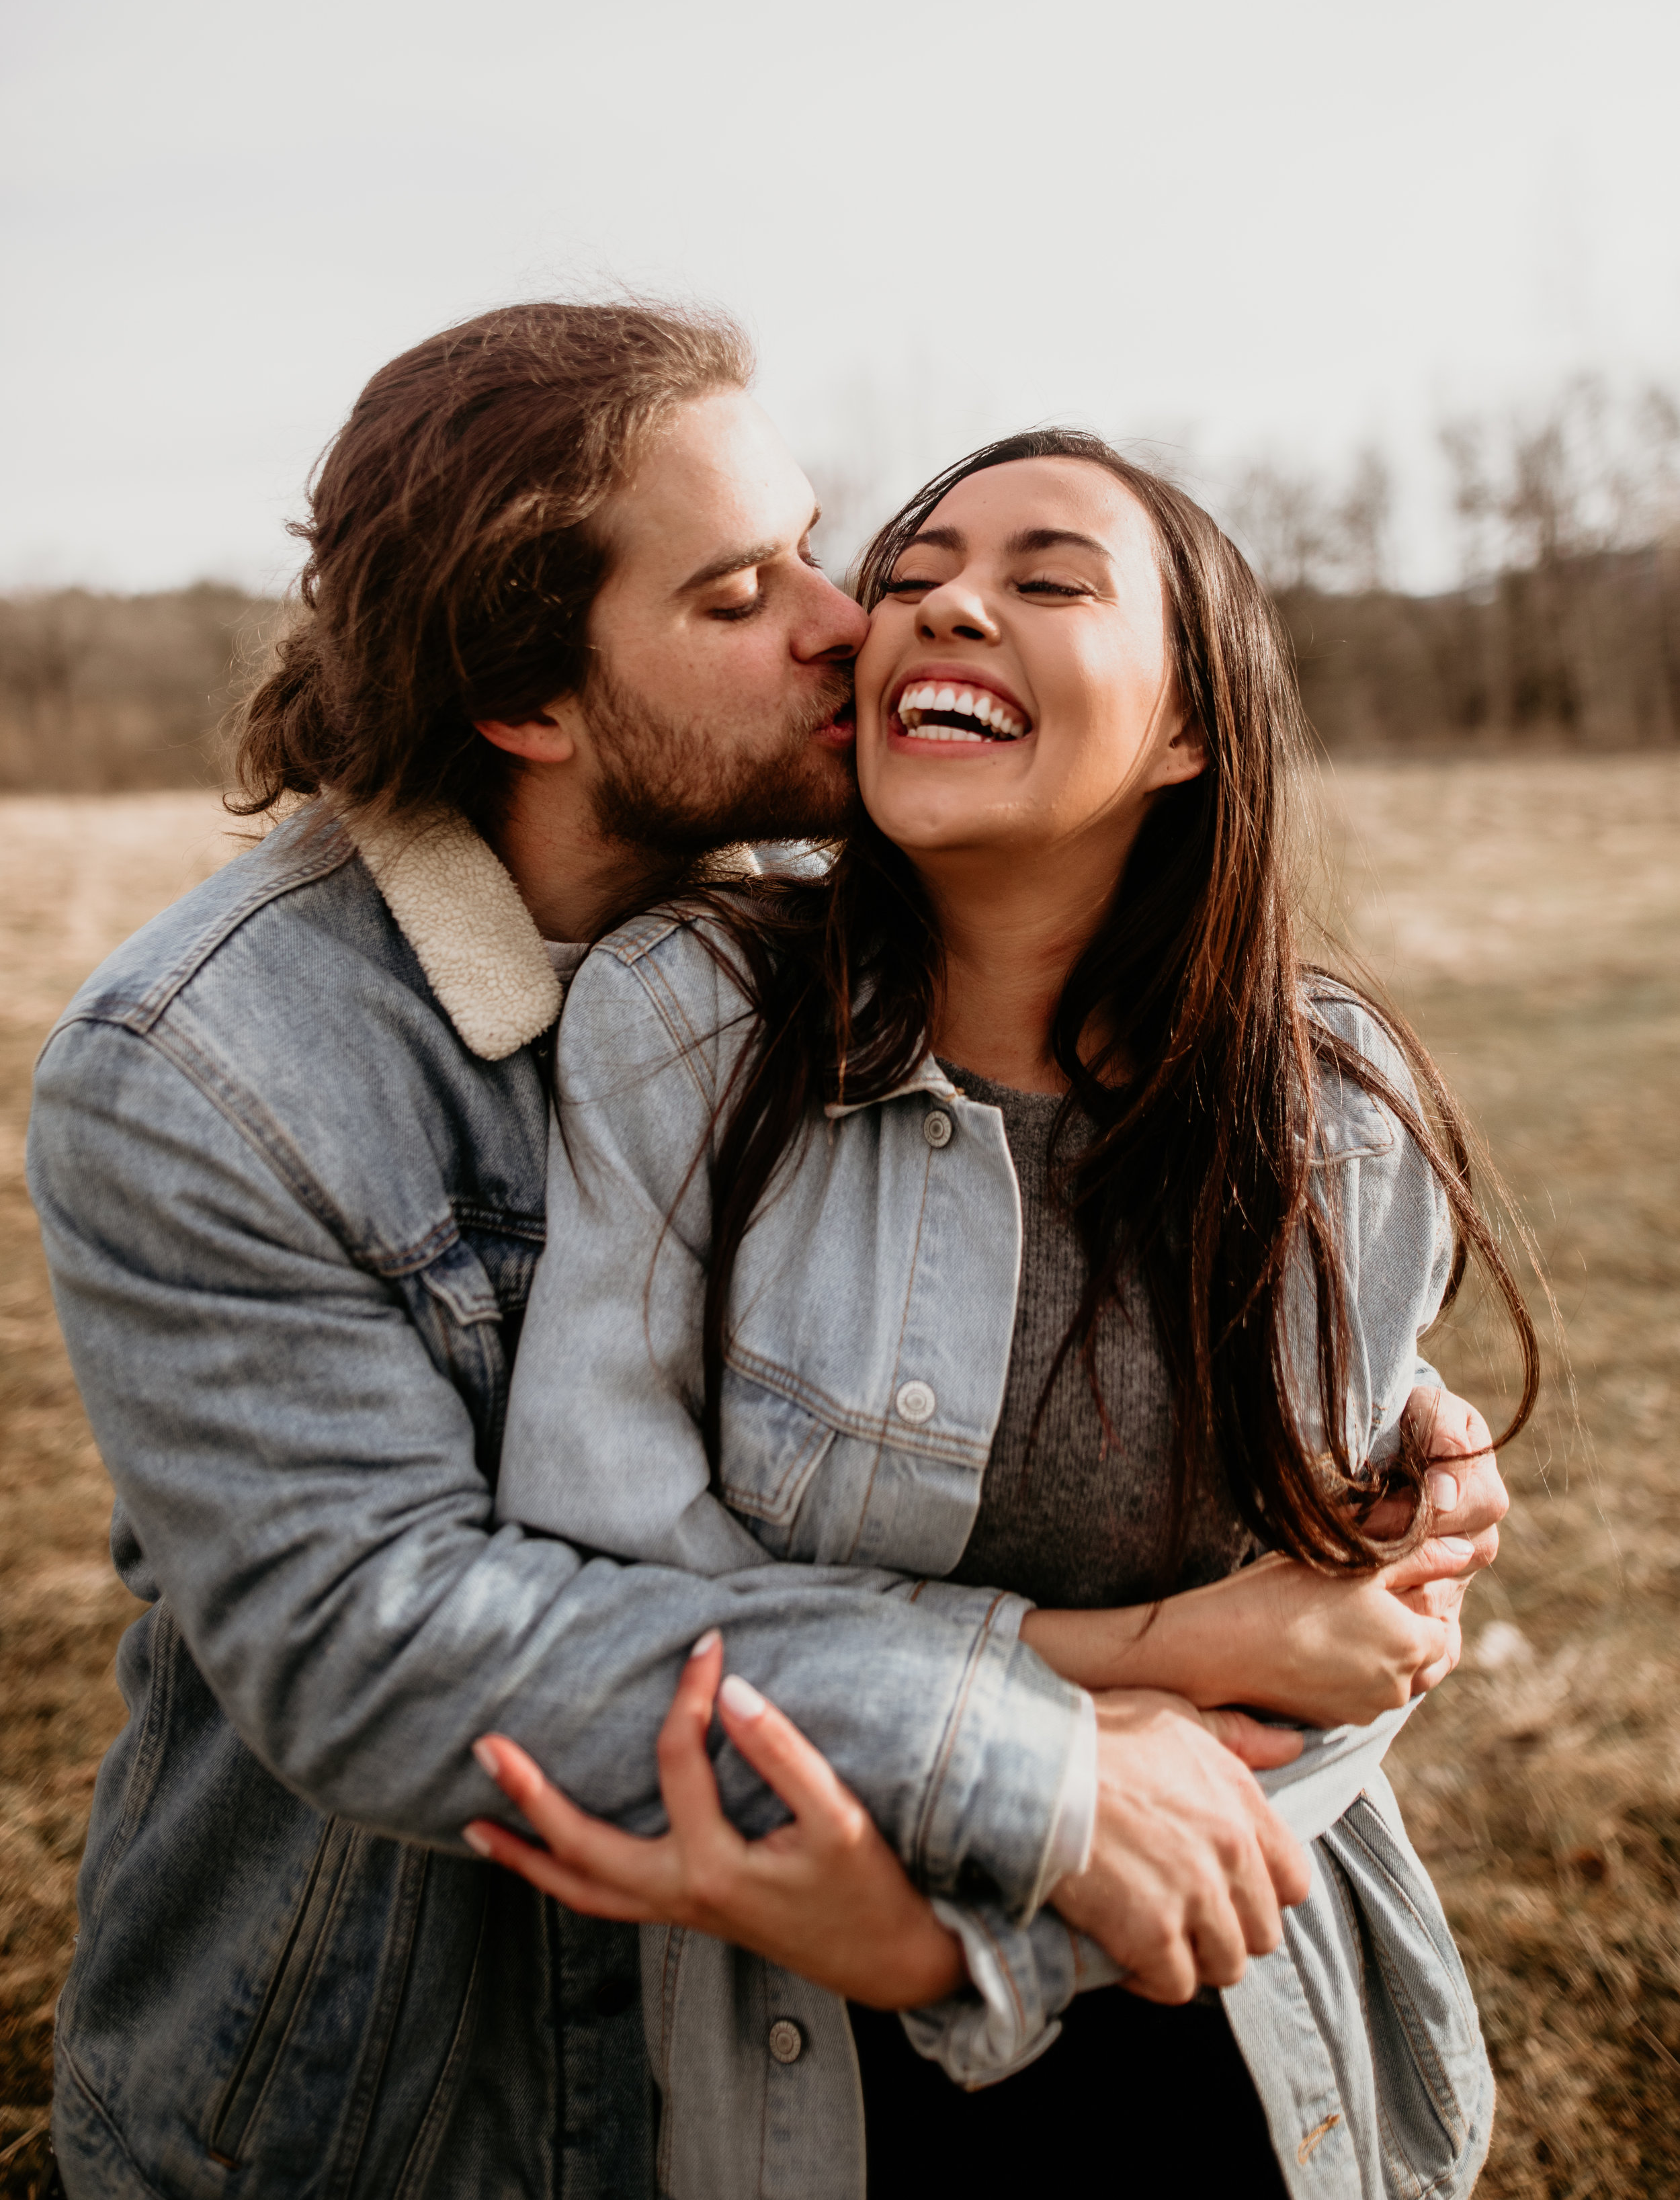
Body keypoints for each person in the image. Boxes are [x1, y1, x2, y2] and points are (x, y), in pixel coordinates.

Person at [27, 305, 1435, 2200]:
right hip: (408, 2092)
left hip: (837, 2052)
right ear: (528, 701)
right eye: (734, 596)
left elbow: (1020, 1247)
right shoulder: (206, 1067)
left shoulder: (827, 932)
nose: (850, 621)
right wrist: (1035, 1718)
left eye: (812, 543)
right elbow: (376, 1642)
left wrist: (1395, 1403)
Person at [469, 429, 1537, 2198]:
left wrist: (976, 1956)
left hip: (1231, 2022)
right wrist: (1148, 1657)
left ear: (1189, 729)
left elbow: (1346, 1654)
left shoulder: (1336, 1113)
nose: (942, 602)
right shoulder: (693, 1019)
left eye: (1047, 579)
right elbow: (612, 1580)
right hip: (797, 2042)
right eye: (907, 576)